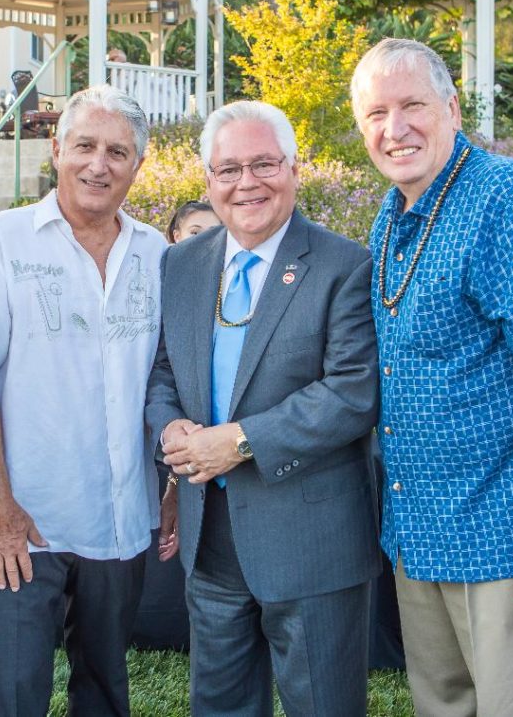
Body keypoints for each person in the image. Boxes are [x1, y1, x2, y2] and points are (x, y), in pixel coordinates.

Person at [350, 38, 513, 716]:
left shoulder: (505, 199)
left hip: (509, 543)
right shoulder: (392, 215)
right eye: (376, 113)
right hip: (423, 538)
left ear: (453, 109)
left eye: (412, 106)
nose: (394, 129)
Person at [0, 84, 165, 716]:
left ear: (137, 166)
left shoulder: (157, 254)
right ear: (56, 149)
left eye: (118, 152)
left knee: (105, 691)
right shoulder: (3, 242)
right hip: (22, 528)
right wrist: (0, 507)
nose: (99, 164)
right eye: (85, 145)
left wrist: (170, 484)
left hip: (123, 518)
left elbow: (167, 379)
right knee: (13, 697)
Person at [146, 100, 380, 716]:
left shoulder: (345, 266)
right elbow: (164, 369)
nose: (246, 183)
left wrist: (239, 440)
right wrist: (171, 426)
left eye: (263, 164)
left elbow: (352, 390)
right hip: (211, 538)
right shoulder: (181, 264)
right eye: (228, 170)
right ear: (208, 182)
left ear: (295, 169)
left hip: (311, 541)